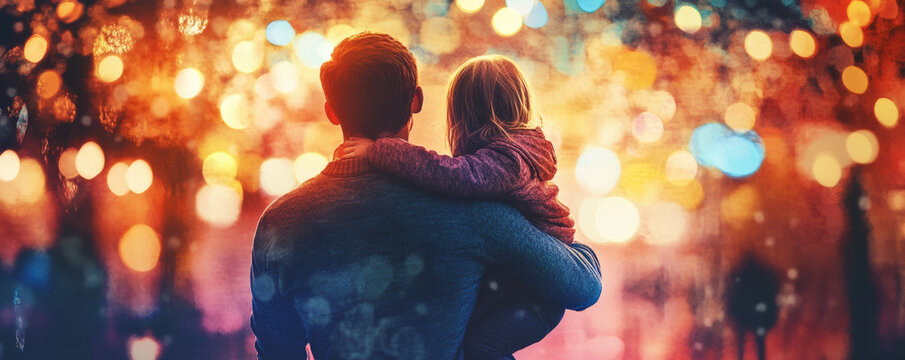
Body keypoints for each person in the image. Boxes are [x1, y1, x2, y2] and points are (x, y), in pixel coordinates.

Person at [250, 32, 601, 360]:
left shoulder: (281, 223)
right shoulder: (472, 211)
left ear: (332, 110)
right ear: (416, 100)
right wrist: (579, 252)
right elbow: (582, 288)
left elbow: (278, 347)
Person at [340, 55, 574, 359]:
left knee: (478, 348)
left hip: (535, 295)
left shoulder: (507, 160)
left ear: (463, 115)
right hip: (523, 285)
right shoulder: (508, 155)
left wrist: (380, 150)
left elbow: (451, 175)